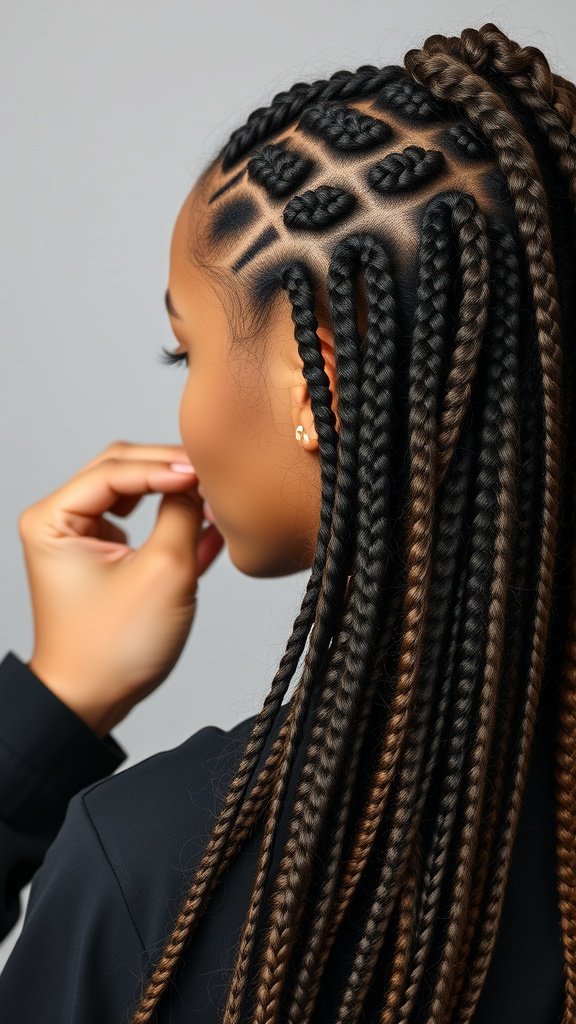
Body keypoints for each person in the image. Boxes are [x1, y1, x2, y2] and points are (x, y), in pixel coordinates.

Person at [0, 20, 574, 1024]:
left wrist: (46, 712)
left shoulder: (153, 872)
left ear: (327, 381)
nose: (179, 401)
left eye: (183, 352)